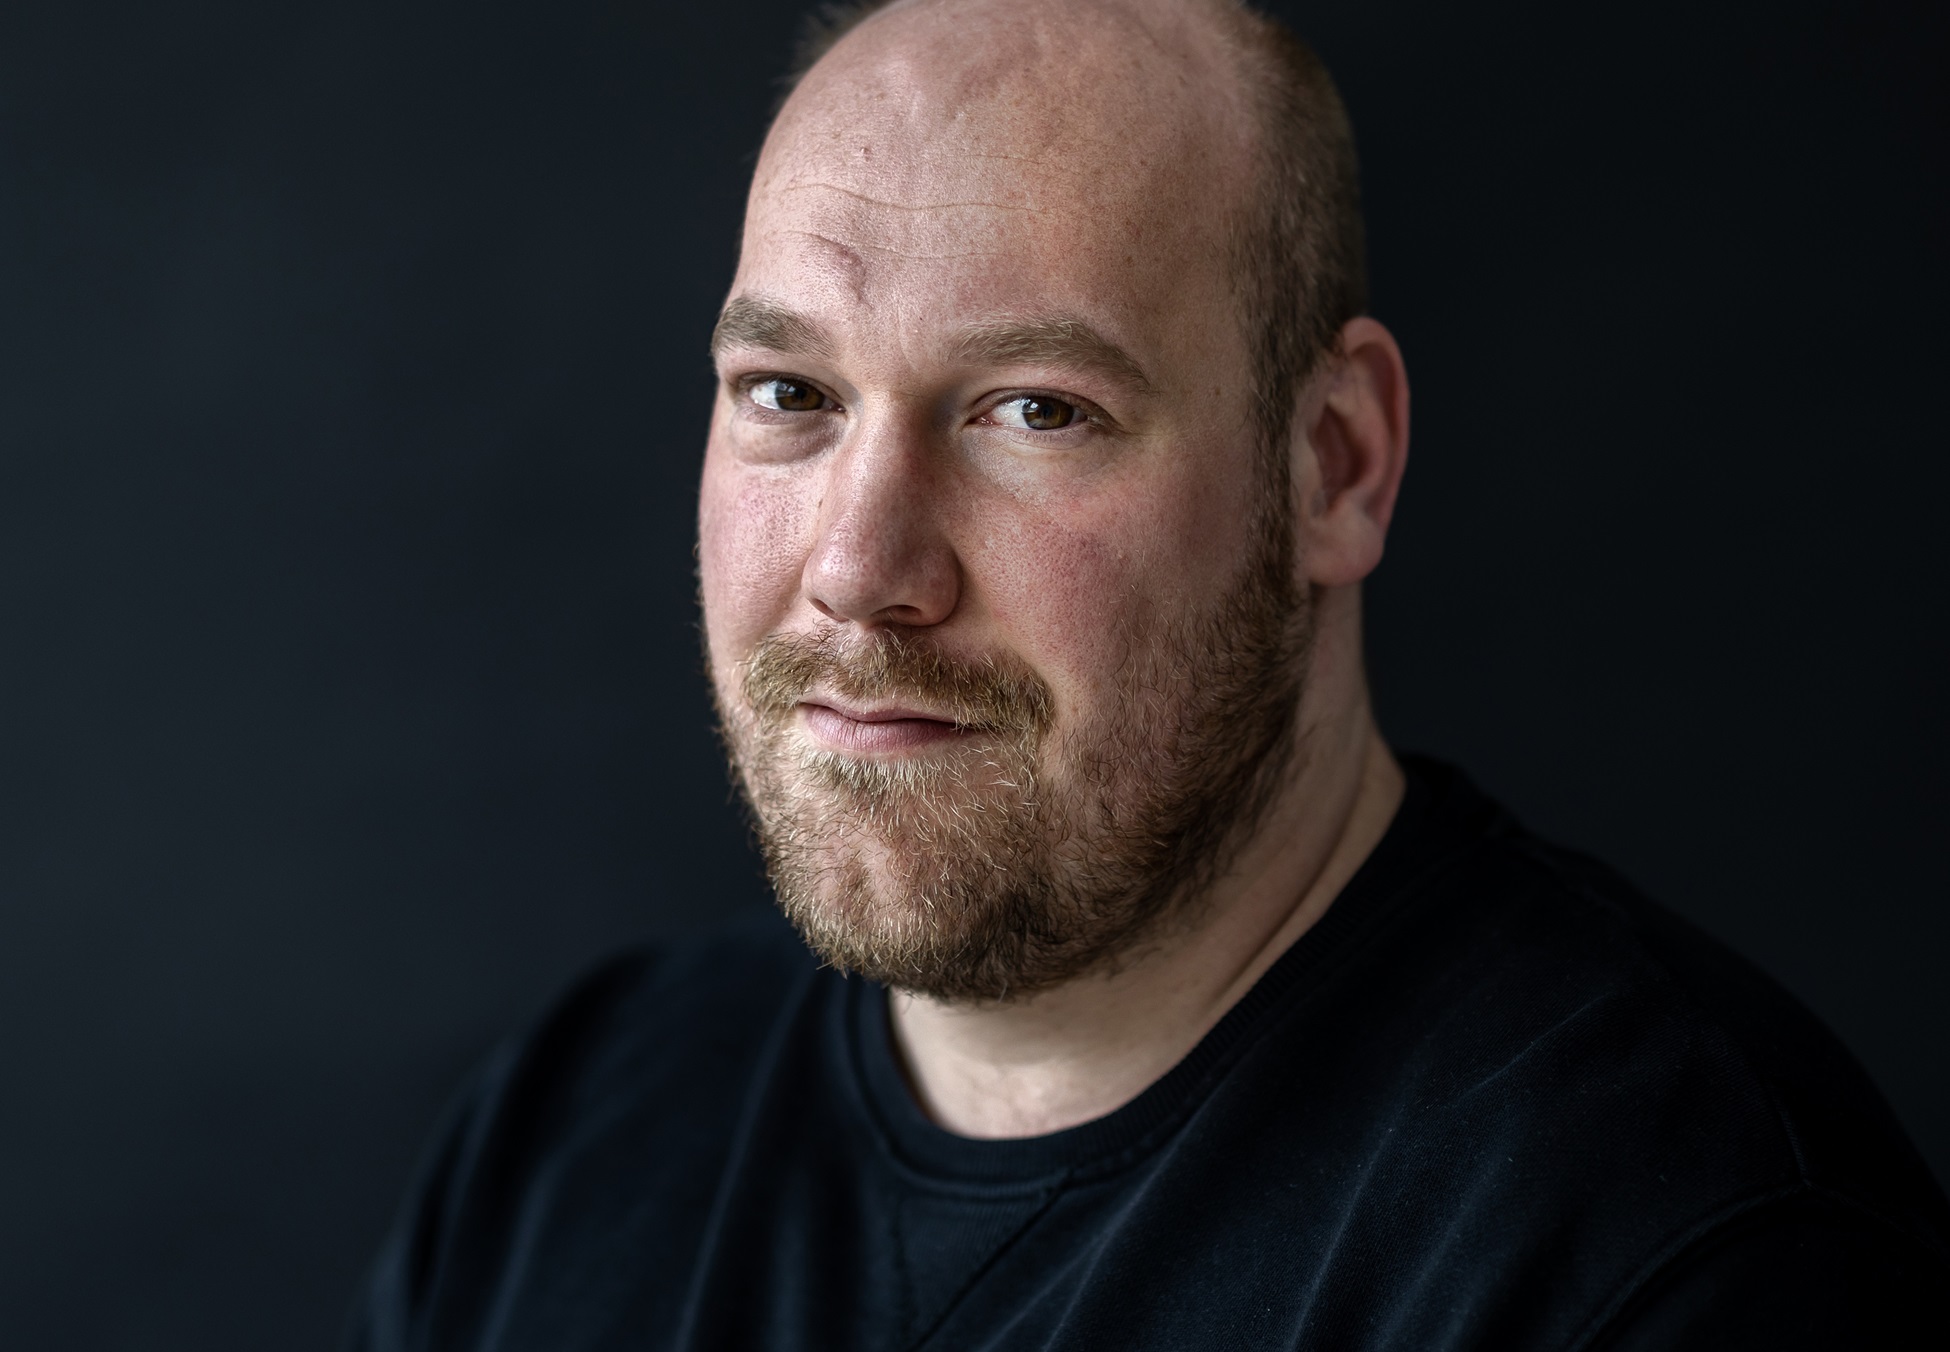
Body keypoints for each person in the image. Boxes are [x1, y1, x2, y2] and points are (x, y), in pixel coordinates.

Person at [348, 0, 1950, 1346]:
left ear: (1333, 463)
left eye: (1034, 411)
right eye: (788, 392)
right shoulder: (578, 1130)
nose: (858, 569)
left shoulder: (1668, 1253)